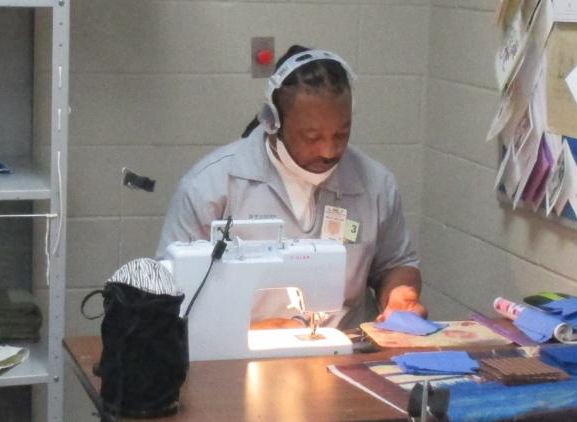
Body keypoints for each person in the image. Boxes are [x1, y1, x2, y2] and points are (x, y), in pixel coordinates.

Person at [156, 45, 426, 330]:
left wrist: (400, 297)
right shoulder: (212, 187)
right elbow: (167, 294)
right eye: (312, 136)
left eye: (341, 134)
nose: (328, 150)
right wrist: (245, 333)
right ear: (274, 122)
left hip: (345, 351)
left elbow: (397, 263)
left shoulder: (375, 185)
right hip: (234, 355)